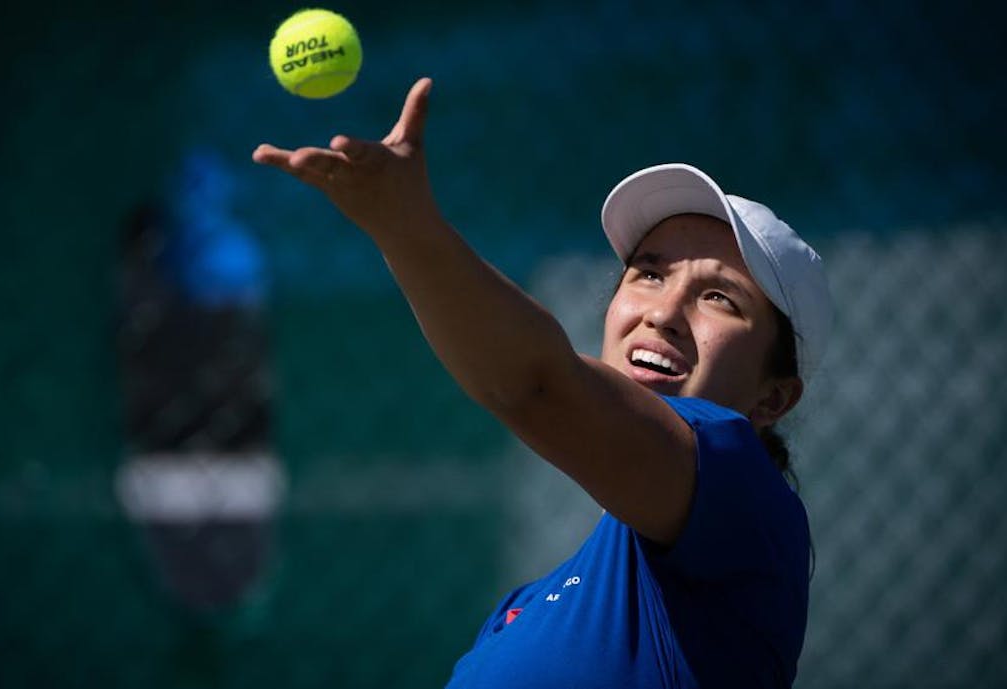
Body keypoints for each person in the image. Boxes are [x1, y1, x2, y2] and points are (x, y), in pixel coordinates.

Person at [253, 78, 832, 688]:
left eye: (719, 297)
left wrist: (404, 226)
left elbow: (536, 387)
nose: (661, 312)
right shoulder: (521, 608)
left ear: (774, 398)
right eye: (648, 274)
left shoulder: (746, 502)